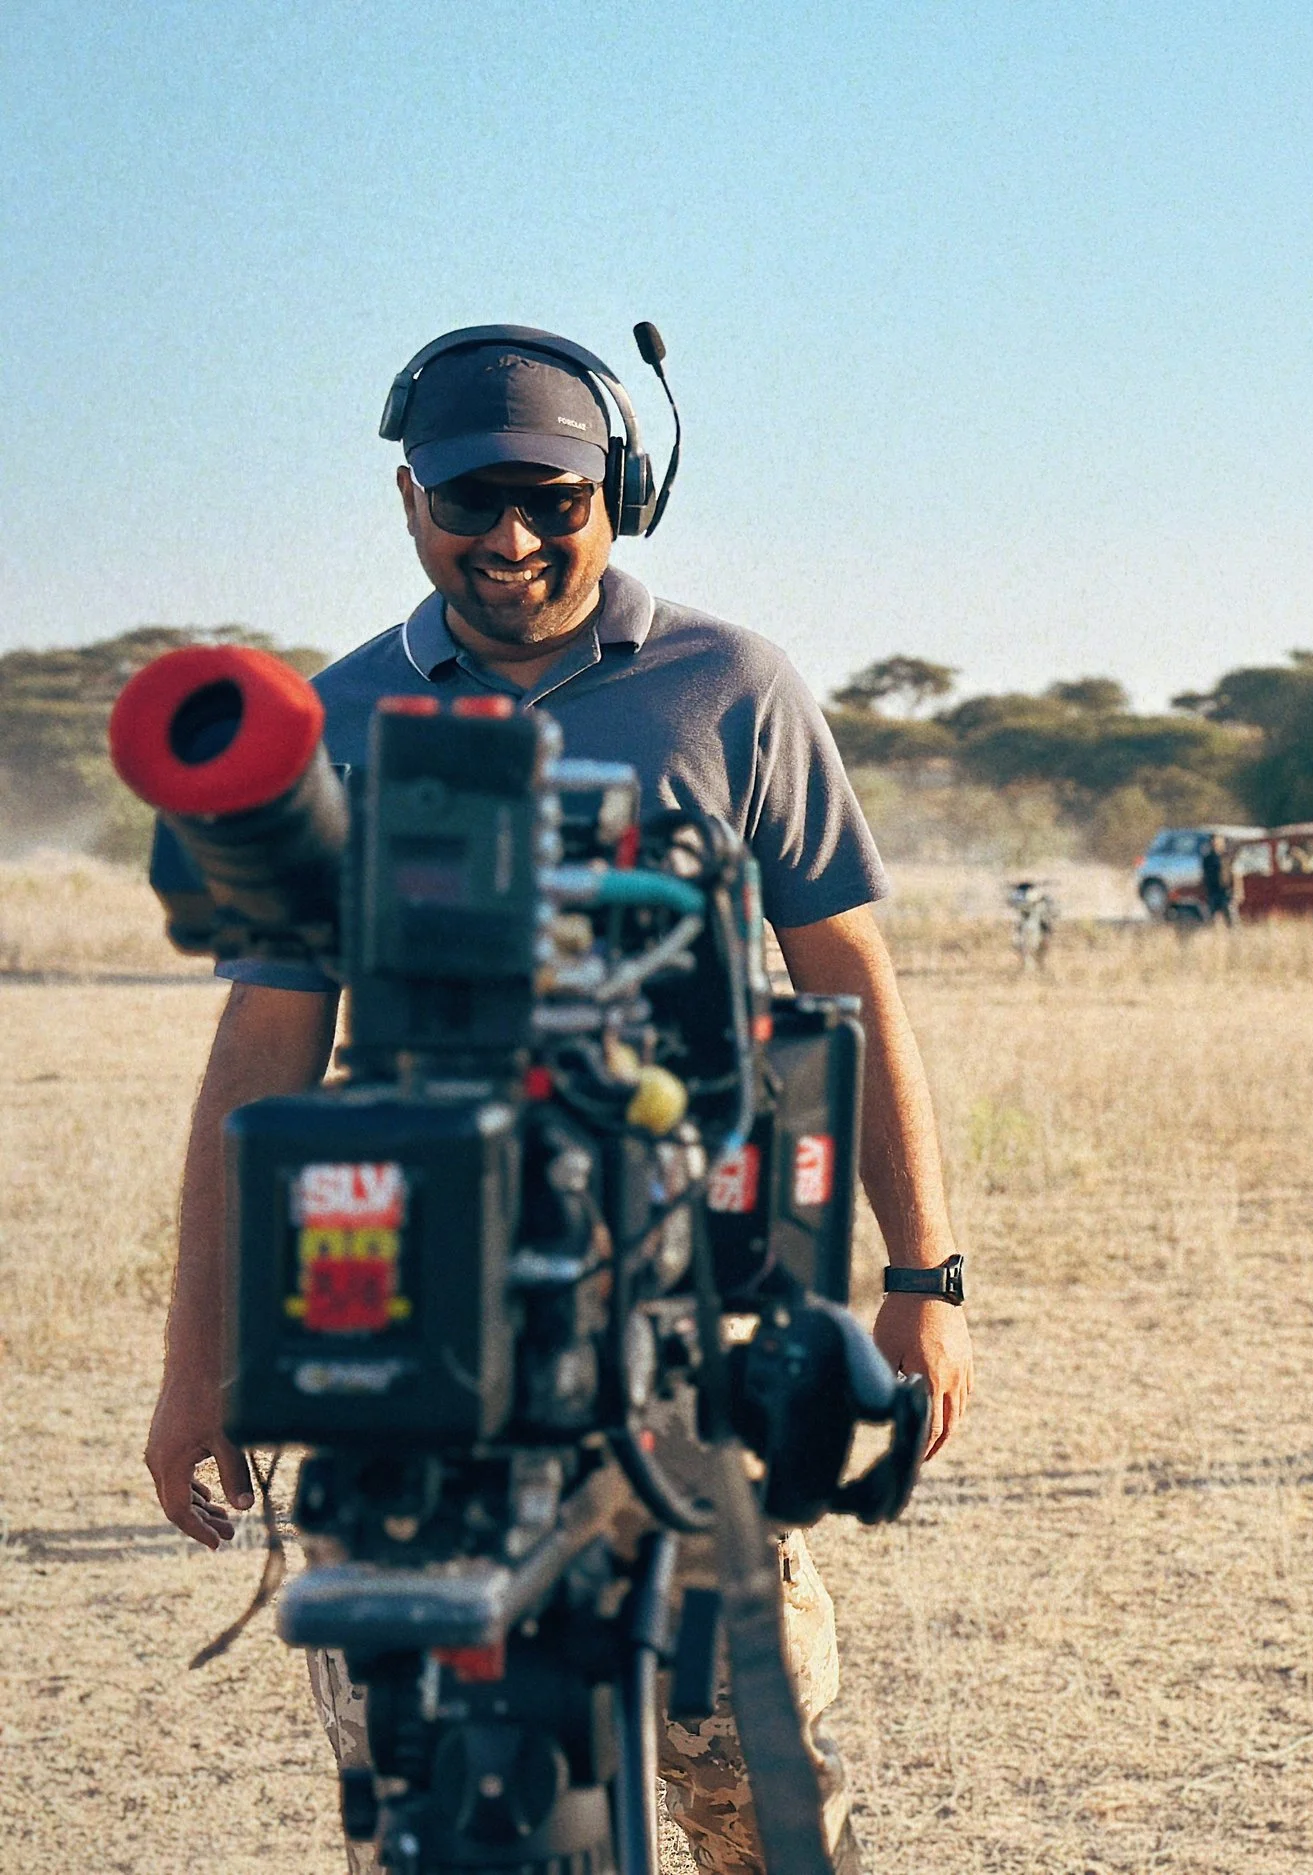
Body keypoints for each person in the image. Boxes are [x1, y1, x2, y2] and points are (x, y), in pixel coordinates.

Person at [140, 327, 974, 1875]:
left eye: (551, 499)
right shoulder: (329, 729)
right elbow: (262, 1062)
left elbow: (853, 983)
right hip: (405, 1358)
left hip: (685, 1349)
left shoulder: (733, 688)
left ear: (622, 493)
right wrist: (198, 1361)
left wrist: (925, 1277)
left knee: (751, 1791)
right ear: (408, 502)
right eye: (470, 503)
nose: (509, 539)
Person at [1200, 831, 1237, 925]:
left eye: (1218, 841)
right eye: (1214, 841)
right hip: (1212, 892)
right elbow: (1204, 876)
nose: (1215, 843)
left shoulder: (1227, 857)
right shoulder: (1207, 859)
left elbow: (1235, 874)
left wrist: (1237, 891)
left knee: (1230, 919)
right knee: (1211, 920)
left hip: (1226, 892)